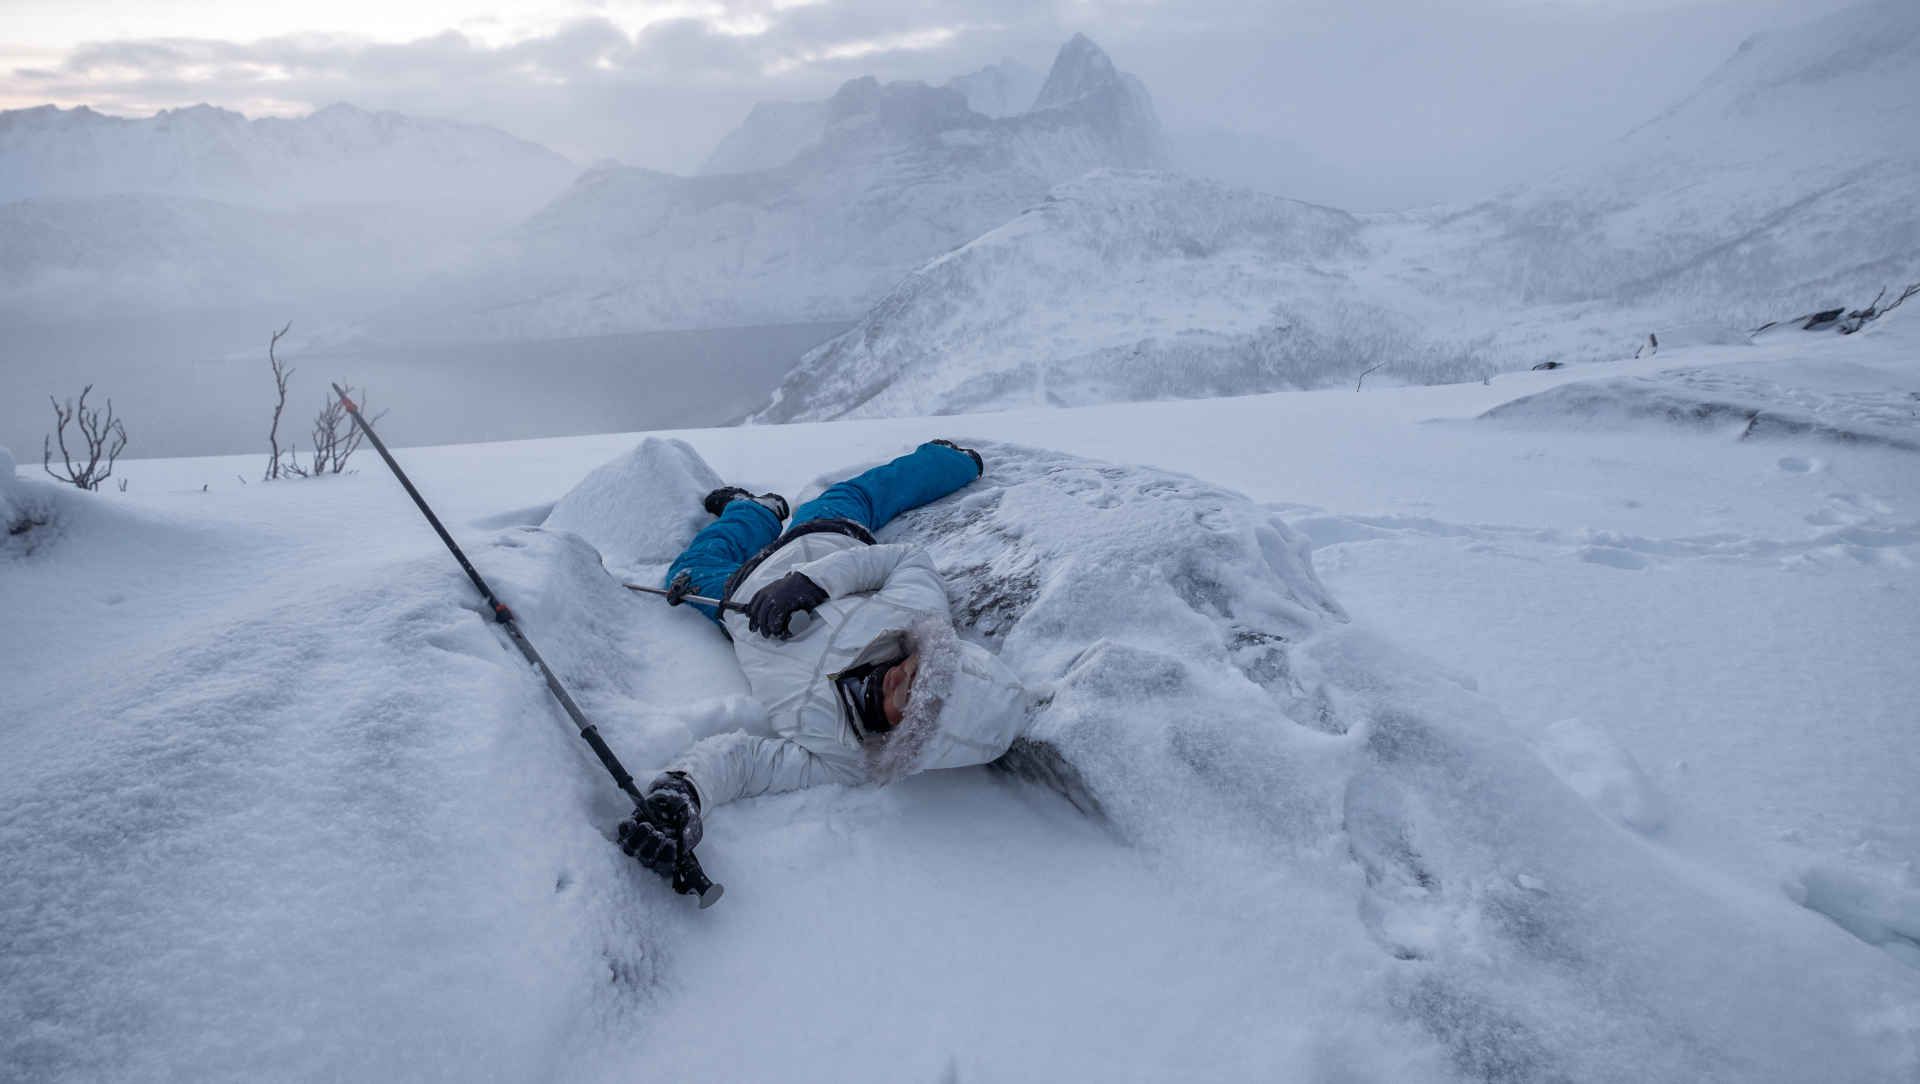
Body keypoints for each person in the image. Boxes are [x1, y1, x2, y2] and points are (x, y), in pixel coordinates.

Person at [618, 440, 1032, 877]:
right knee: (858, 495)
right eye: (911, 669)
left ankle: (751, 510)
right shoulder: (915, 615)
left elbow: (746, 763)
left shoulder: (845, 759)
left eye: (906, 699)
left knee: (691, 569)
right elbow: (905, 560)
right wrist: (812, 584)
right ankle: (951, 459)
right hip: (818, 544)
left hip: (737, 598)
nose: (894, 676)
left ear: (914, 739)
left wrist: (684, 794)